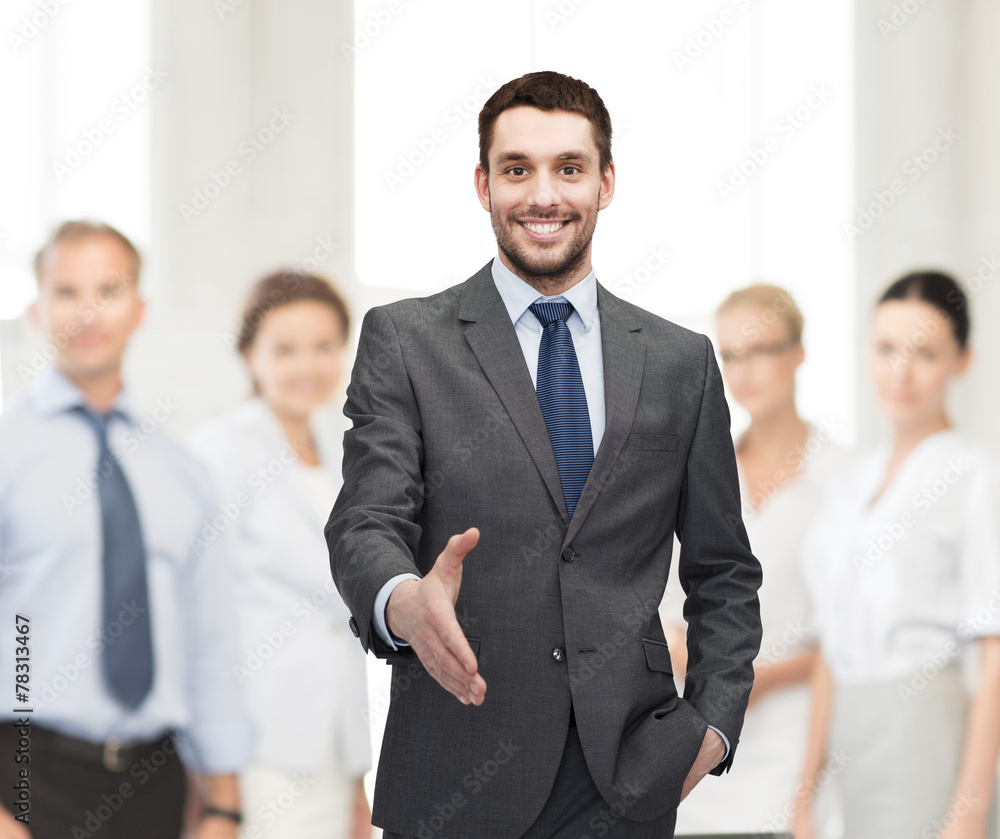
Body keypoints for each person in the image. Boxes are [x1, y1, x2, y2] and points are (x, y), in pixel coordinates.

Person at [326, 70, 763, 839]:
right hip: (454, 775)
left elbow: (723, 569)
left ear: (606, 182)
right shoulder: (406, 341)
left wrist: (713, 730)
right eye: (516, 168)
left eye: (569, 167)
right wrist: (404, 602)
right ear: (483, 184)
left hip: (629, 779)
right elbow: (365, 521)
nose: (543, 195)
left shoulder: (679, 361)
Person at [0, 221, 251, 839]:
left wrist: (224, 803)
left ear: (139, 309)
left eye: (108, 290)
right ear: (35, 309)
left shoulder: (182, 471)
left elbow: (210, 639)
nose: (88, 311)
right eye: (67, 291)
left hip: (157, 787)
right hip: (26, 777)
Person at [793, 271, 1000, 839]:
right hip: (848, 740)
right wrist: (805, 794)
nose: (899, 372)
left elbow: (996, 655)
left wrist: (970, 814)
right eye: (886, 349)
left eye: (925, 353)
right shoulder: (849, 483)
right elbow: (830, 648)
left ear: (962, 360)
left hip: (924, 730)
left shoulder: (975, 477)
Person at [189, 271, 372, 839]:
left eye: (324, 347)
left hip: (335, 745)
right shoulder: (218, 453)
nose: (307, 366)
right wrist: (216, 782)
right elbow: (197, 620)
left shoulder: (345, 456)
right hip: (257, 748)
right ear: (249, 353)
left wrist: (356, 777)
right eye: (285, 349)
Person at [663, 284, 844, 835]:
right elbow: (669, 612)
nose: (745, 371)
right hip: (702, 750)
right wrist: (714, 671)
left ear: (798, 352)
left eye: (762, 350)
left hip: (797, 754)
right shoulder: (700, 473)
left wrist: (756, 675)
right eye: (732, 355)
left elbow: (845, 640)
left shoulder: (845, 479)